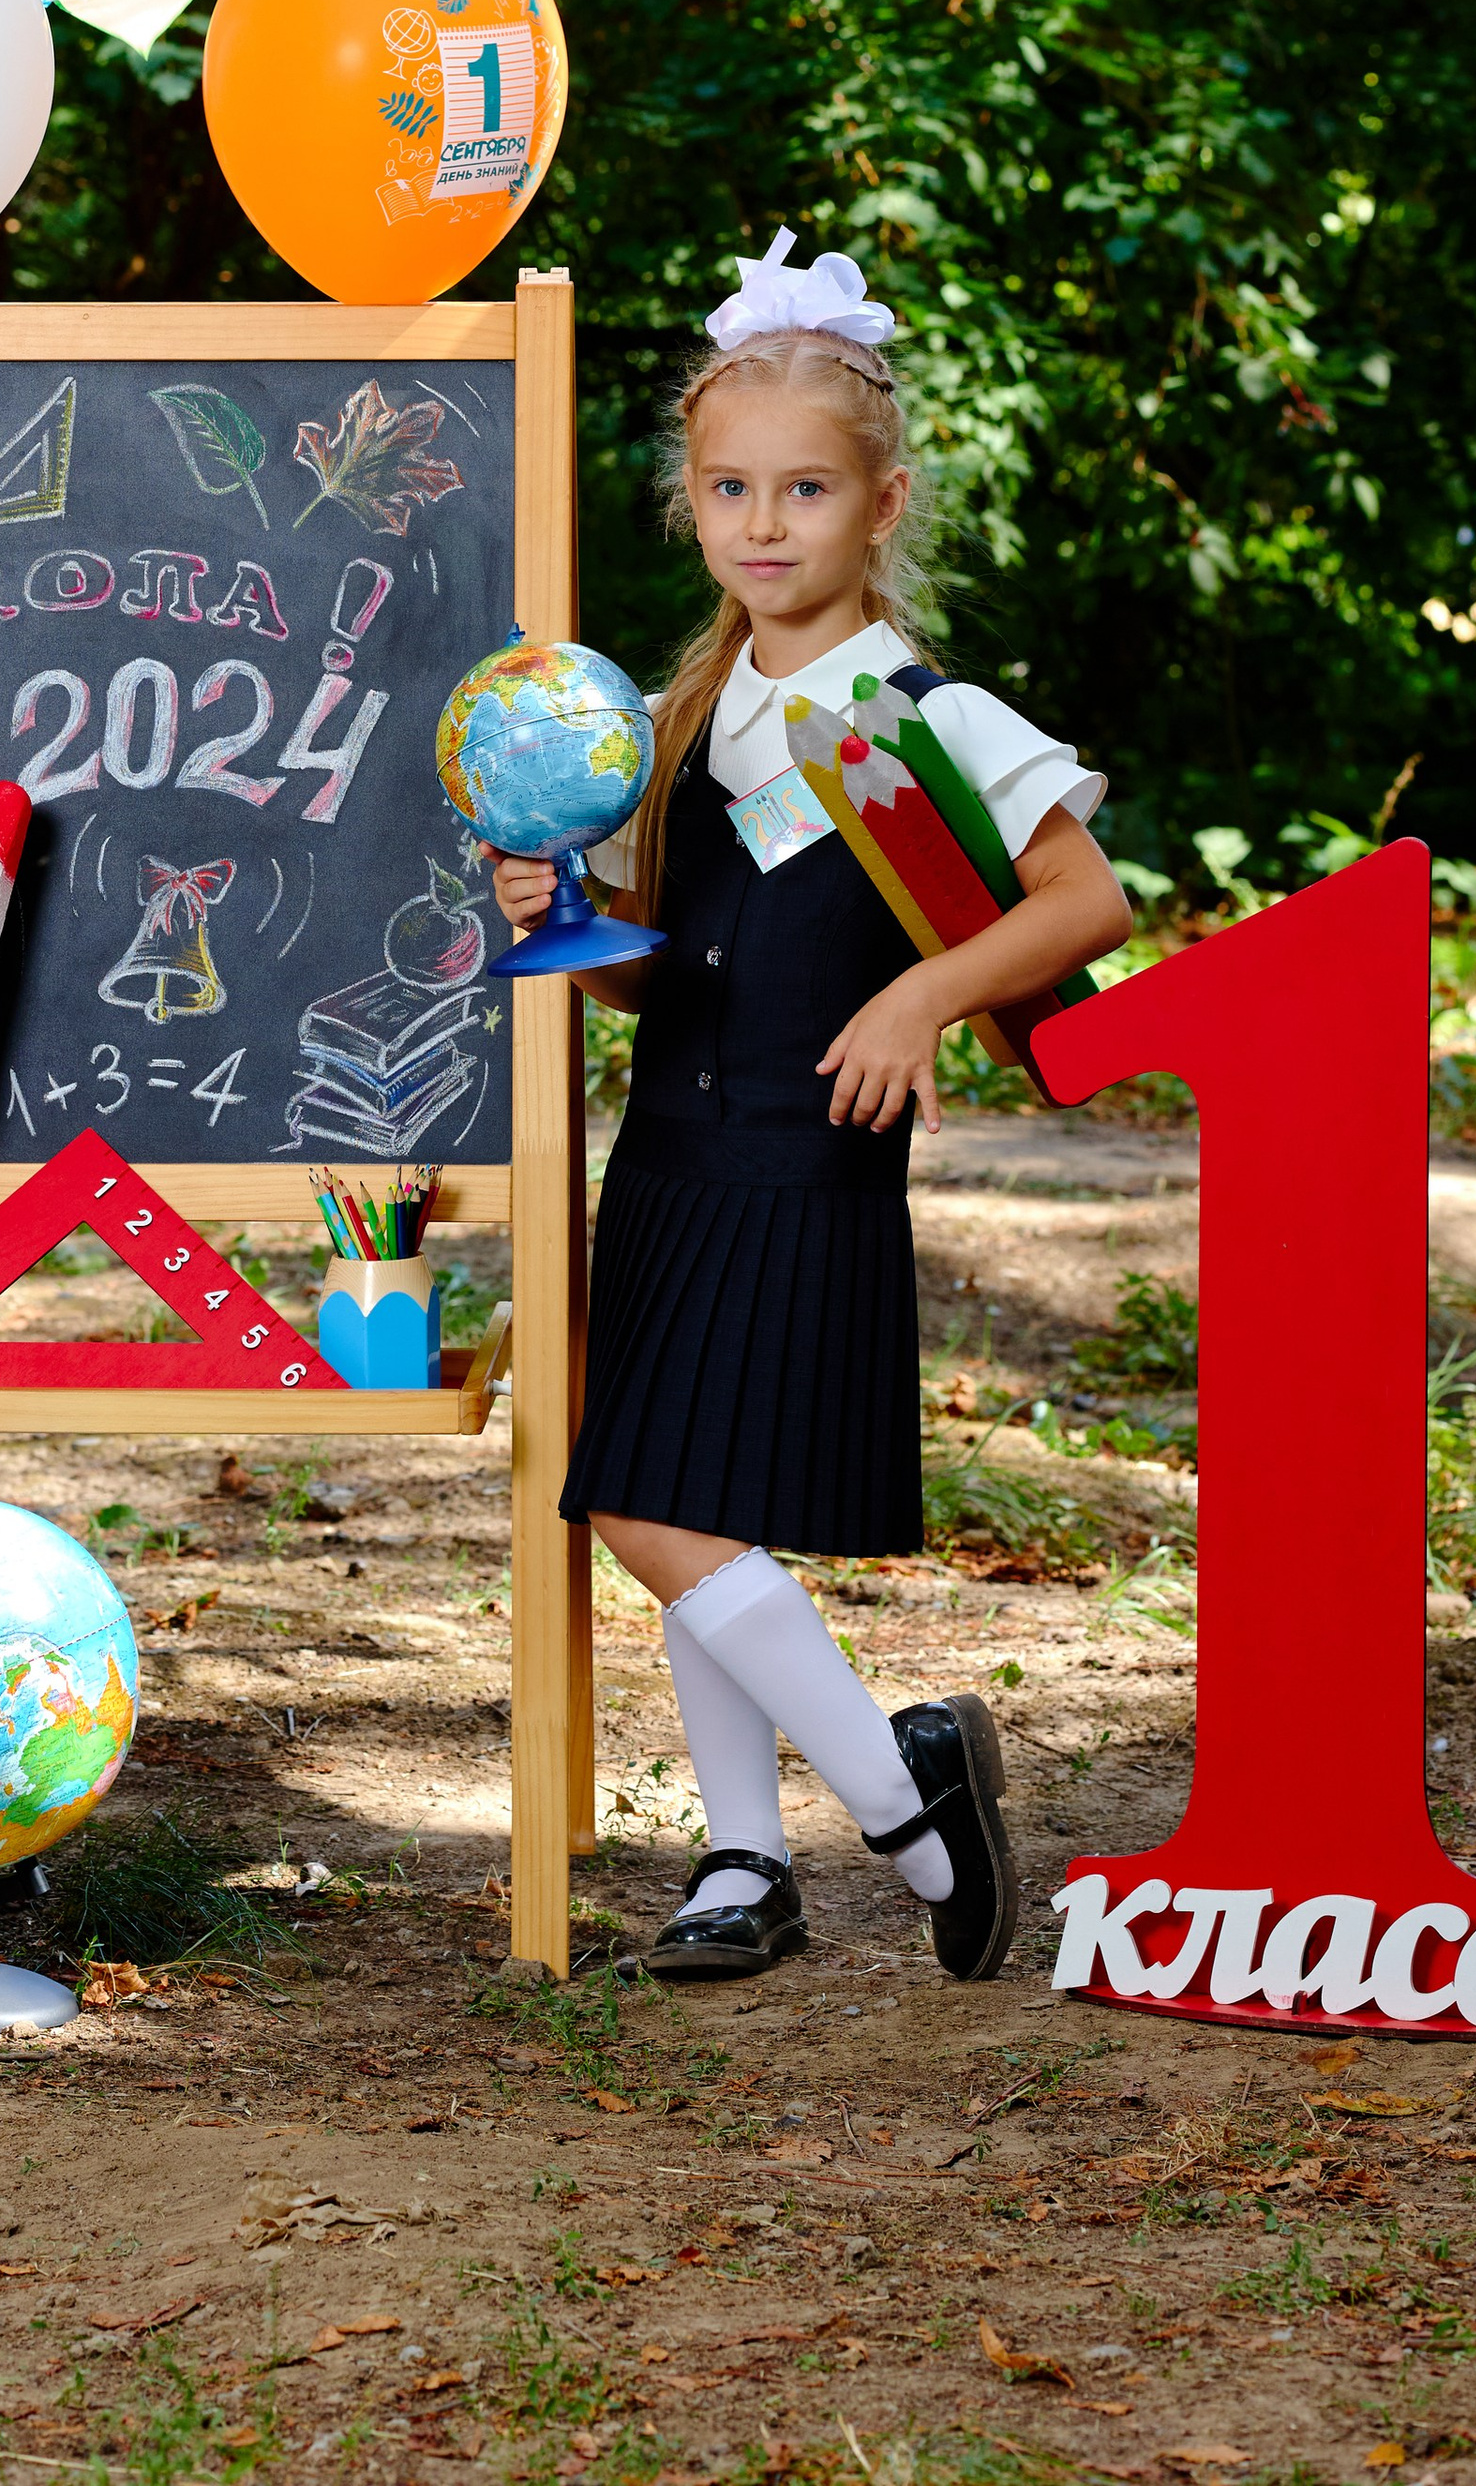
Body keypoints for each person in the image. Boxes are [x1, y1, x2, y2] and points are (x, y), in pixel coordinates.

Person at [487, 231, 1133, 1984]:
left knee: (637, 1498)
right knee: (702, 1495)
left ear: (879, 501)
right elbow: (655, 969)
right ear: (693, 504)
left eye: (804, 489)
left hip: (808, 1159)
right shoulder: (680, 713)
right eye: (728, 488)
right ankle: (741, 1865)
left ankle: (908, 1798)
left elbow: (1089, 903)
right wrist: (566, 934)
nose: (763, 523)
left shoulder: (927, 711)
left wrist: (925, 989)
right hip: (675, 1156)